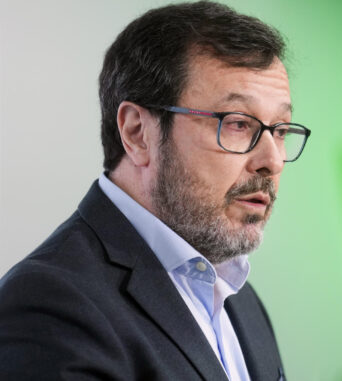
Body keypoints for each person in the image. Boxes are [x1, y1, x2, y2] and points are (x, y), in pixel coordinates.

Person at [0, 2, 310, 380]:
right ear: (137, 133)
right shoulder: (49, 304)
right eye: (238, 124)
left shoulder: (238, 296)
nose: (272, 161)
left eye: (280, 130)